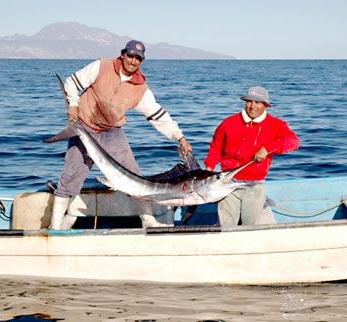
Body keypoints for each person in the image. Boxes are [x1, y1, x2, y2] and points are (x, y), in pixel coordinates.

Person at [51, 40, 192, 230]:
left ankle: (147, 218)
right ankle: (56, 226)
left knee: (134, 177)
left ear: (141, 61)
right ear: (123, 54)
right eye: (131, 55)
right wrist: (73, 105)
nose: (133, 61)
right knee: (70, 176)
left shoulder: (140, 88)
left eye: (138, 59)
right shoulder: (101, 66)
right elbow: (71, 83)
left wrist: (180, 137)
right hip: (84, 126)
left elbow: (157, 114)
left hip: (111, 132)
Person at [204, 86, 299, 227]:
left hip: (255, 184)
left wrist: (268, 149)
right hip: (227, 182)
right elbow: (216, 147)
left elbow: (294, 142)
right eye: (249, 102)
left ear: (266, 105)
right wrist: (209, 166)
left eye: (258, 102)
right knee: (226, 225)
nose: (252, 106)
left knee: (249, 225)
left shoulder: (276, 125)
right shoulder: (228, 123)